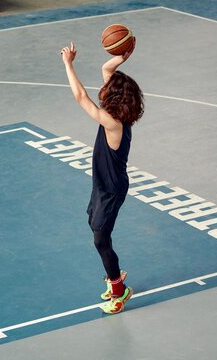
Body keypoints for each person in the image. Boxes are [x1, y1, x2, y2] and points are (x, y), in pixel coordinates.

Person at [60, 39, 143, 314]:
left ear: (114, 96)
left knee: (100, 239)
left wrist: (68, 64)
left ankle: (119, 290)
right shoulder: (120, 113)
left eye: (107, 88)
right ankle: (115, 275)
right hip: (104, 184)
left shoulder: (113, 122)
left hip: (112, 188)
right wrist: (122, 56)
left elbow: (81, 97)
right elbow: (106, 68)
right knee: (93, 223)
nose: (102, 88)